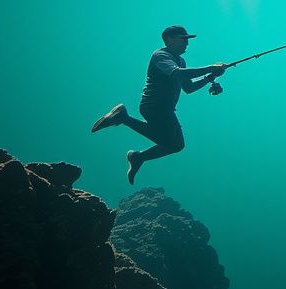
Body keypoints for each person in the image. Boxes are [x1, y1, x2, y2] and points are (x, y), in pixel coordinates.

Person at [90, 25, 227, 184]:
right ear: (169, 39)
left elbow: (188, 88)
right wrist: (210, 68)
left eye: (187, 40)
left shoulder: (181, 61)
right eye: (183, 39)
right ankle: (124, 120)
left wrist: (209, 77)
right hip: (154, 105)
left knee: (177, 145)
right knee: (169, 142)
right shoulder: (161, 55)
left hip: (166, 108)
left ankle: (138, 156)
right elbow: (175, 73)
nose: (187, 44)